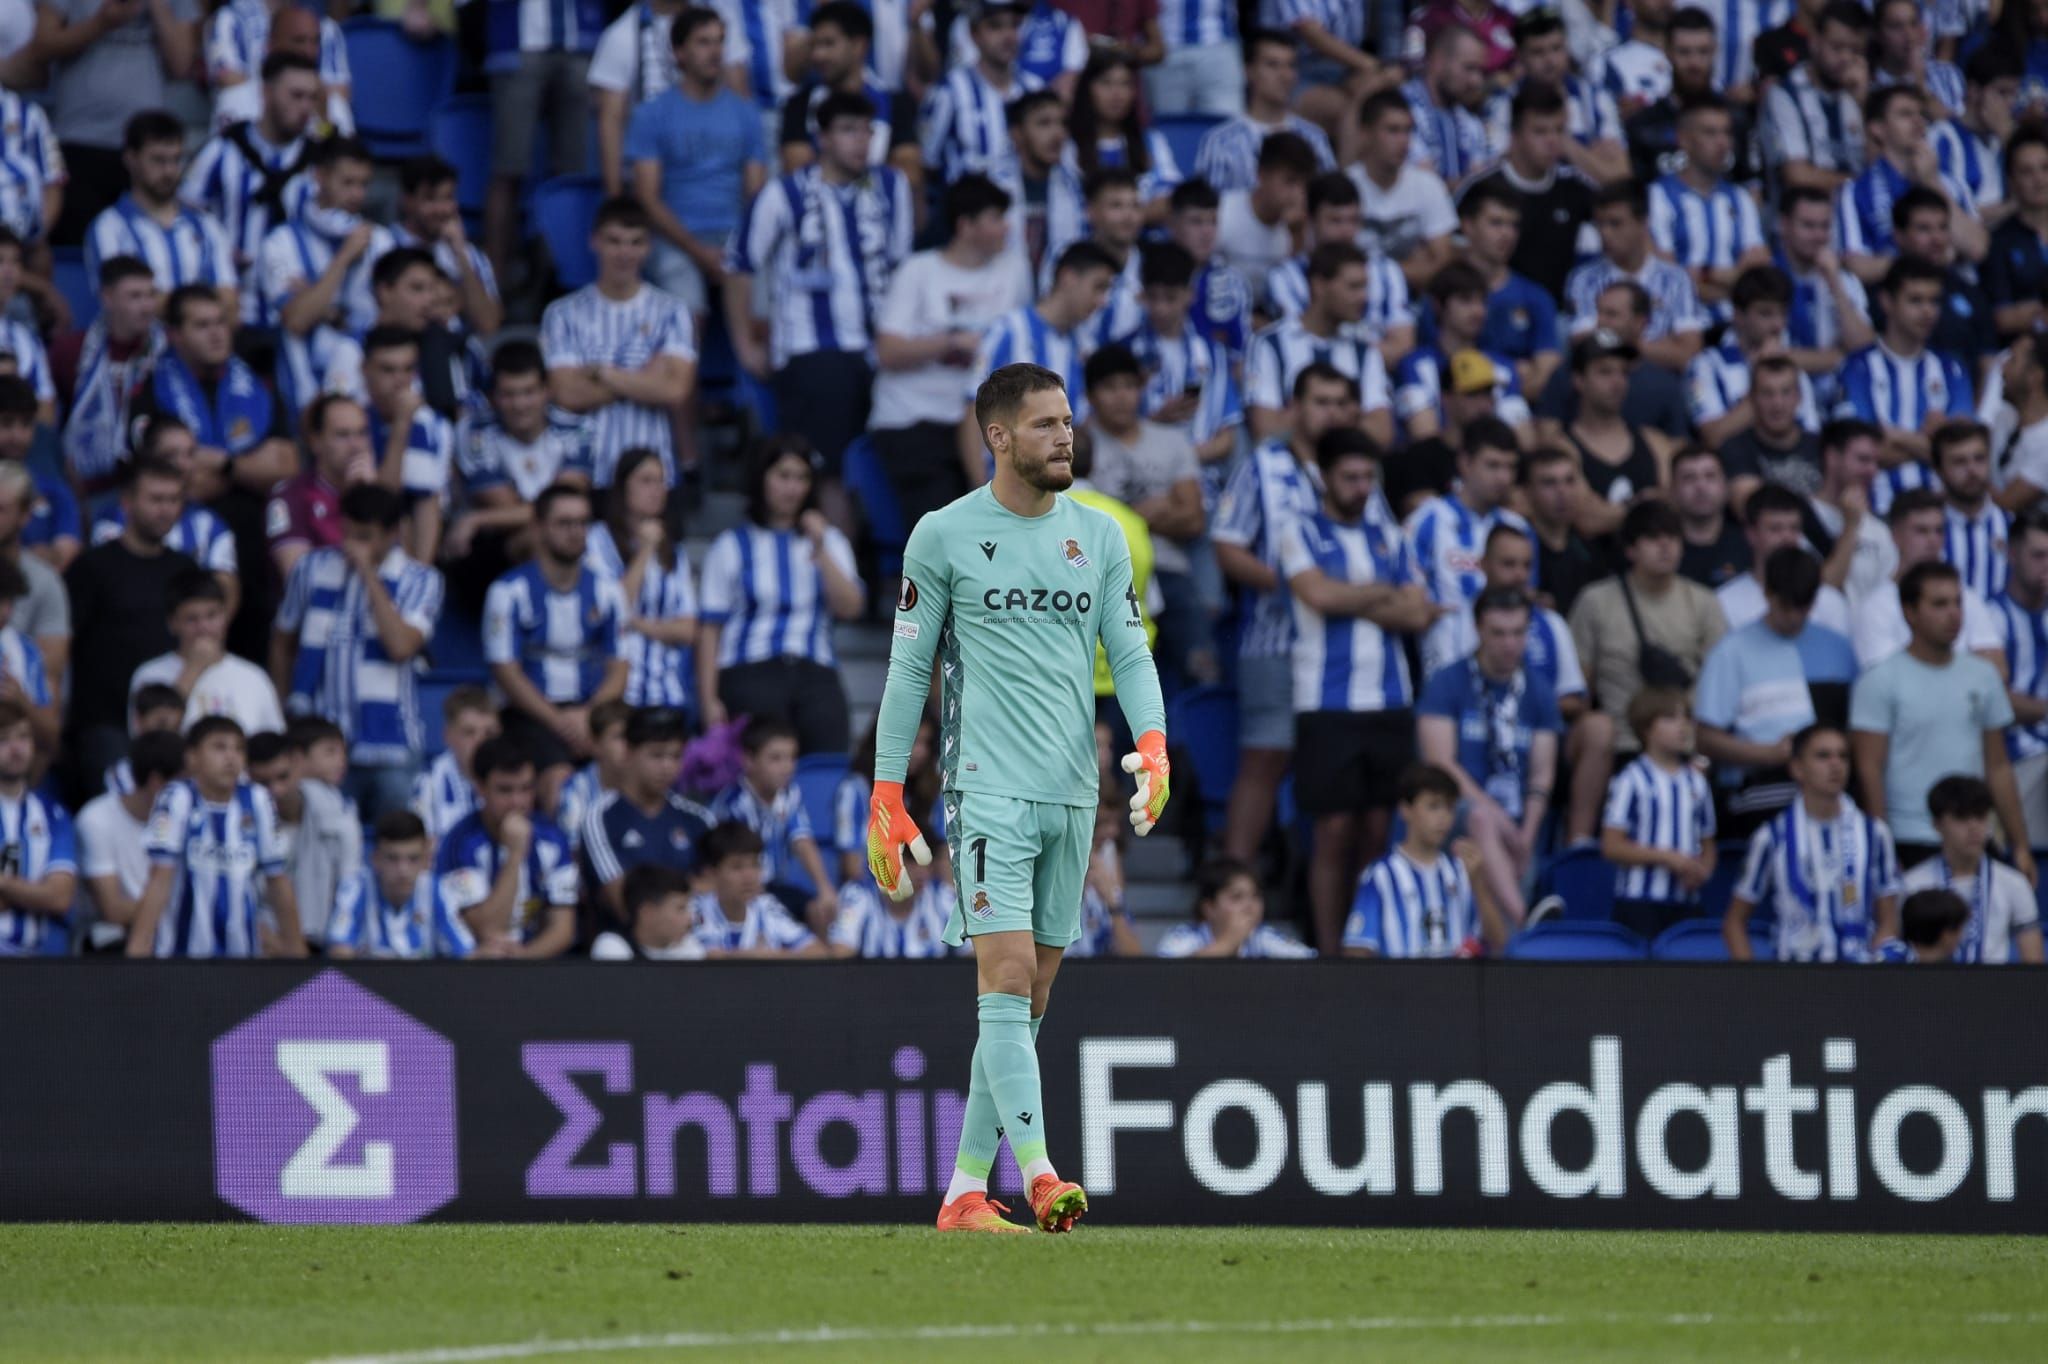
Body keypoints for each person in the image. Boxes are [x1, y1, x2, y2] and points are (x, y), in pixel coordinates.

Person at [868, 361, 1168, 1236]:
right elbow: (908, 670)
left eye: (1067, 421)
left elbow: (1134, 652)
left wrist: (1153, 741)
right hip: (986, 789)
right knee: (1001, 980)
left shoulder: (1101, 535)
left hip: (1073, 794)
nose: (1065, 435)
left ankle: (965, 1190)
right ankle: (1039, 1175)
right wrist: (888, 791)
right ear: (998, 436)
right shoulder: (945, 534)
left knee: (1027, 1001)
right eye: (1044, 424)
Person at [1279, 429, 1438, 952]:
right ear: (1324, 477)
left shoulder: (1391, 536)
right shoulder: (1298, 528)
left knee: (1377, 830)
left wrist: (1356, 598)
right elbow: (1318, 595)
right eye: (1350, 476)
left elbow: (1418, 611)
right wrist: (1382, 593)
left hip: (1391, 703)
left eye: (1368, 476)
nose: (1361, 486)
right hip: (1325, 705)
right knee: (1333, 832)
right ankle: (1330, 951)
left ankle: (1367, 942)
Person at [725, 90, 913, 532]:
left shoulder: (892, 186)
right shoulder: (784, 192)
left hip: (885, 354)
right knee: (826, 474)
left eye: (867, 131)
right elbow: (738, 264)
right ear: (822, 138)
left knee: (894, 465)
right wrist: (743, 342)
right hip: (813, 353)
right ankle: (844, 580)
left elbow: (903, 267)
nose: (860, 141)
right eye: (848, 130)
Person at [1213, 364, 1354, 861]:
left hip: (1343, 646)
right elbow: (1228, 545)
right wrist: (1297, 583)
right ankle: (1233, 881)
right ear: (1294, 408)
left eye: (1341, 402)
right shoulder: (1262, 465)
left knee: (1332, 771)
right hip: (1273, 639)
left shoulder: (1357, 468)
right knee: (1265, 757)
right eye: (1321, 401)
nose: (1331, 412)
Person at [272, 483, 444, 820]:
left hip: (393, 746)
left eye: (365, 536)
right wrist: (282, 709)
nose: (352, 545)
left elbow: (400, 646)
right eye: (348, 533)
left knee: (397, 847)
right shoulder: (310, 569)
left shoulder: (421, 580)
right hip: (321, 741)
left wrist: (367, 574)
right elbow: (282, 641)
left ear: (393, 533)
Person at [869, 175, 1030, 532]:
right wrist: (953, 342)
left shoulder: (1013, 269)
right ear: (965, 225)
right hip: (914, 418)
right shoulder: (919, 271)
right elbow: (887, 351)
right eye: (995, 219)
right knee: (945, 531)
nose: (1006, 228)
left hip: (982, 423)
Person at [1851, 561, 2032, 875]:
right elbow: (1869, 770)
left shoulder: (1983, 676)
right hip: (1908, 840)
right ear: (1910, 612)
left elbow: (1998, 767)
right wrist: (1881, 850)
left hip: (1975, 838)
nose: (1954, 614)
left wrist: (2020, 845)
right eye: (1939, 604)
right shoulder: (1878, 681)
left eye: (1957, 603)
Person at [696, 437, 864, 753]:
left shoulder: (830, 541)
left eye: (801, 478)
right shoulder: (730, 546)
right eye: (783, 476)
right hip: (750, 670)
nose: (793, 488)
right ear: (762, 479)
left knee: (827, 762)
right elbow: (709, 630)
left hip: (814, 671)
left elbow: (851, 607)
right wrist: (708, 700)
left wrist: (820, 548)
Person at [1416, 586, 1560, 924]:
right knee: (1481, 819)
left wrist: (1525, 834)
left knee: (1519, 837)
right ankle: (1525, 920)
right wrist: (1498, 820)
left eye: (1517, 633)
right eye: (1498, 633)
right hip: (1456, 813)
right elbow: (1441, 765)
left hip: (1517, 819)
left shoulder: (1538, 690)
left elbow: (1542, 775)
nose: (1509, 644)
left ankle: (1510, 942)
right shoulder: (1447, 682)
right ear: (1478, 629)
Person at [1695, 544, 1859, 833]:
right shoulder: (1730, 652)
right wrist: (1769, 754)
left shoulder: (1839, 648)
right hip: (1759, 795)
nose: (1795, 617)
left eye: (1804, 606)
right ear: (1767, 593)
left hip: (1831, 797)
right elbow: (1705, 737)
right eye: (1786, 606)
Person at [62, 454, 199, 797]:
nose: (165, 509)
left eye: (173, 500)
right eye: (155, 499)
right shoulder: (92, 567)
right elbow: (64, 644)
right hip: (105, 724)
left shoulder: (185, 570)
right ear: (127, 502)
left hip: (170, 723)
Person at [541, 196, 698, 491]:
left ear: (648, 247)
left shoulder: (672, 312)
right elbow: (566, 393)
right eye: (614, 241)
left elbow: (675, 391)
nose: (625, 253)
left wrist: (602, 373)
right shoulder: (562, 313)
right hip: (581, 474)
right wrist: (645, 380)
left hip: (651, 476)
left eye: (636, 242)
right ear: (594, 242)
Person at [629, 7, 765, 335]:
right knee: (686, 322)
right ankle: (683, 387)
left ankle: (755, 385)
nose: (715, 51)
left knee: (765, 316)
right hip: (675, 239)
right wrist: (700, 252)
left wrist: (739, 251)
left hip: (735, 239)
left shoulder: (746, 113)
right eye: (703, 42)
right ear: (679, 52)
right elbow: (647, 199)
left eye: (720, 41)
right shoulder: (652, 114)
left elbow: (756, 196)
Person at [127, 717, 305, 959]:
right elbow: (160, 879)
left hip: (243, 959)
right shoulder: (176, 797)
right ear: (192, 757)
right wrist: (137, 951)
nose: (231, 758)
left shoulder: (258, 800)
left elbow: (278, 882)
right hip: (180, 959)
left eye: (239, 749)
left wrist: (298, 956)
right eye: (219, 747)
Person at [1723, 722, 1902, 963]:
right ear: (1797, 768)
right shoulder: (1771, 836)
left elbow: (1889, 918)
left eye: (1843, 756)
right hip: (1792, 979)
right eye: (1823, 756)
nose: (1835, 764)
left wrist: (1875, 964)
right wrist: (1755, 984)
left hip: (1859, 978)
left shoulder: (1875, 833)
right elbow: (1735, 922)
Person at [483, 482, 630, 770]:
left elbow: (620, 667)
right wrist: (559, 721)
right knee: (558, 778)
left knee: (627, 762)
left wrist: (588, 715)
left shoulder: (608, 591)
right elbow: (505, 671)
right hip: (529, 716)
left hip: (592, 713)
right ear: (538, 528)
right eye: (564, 523)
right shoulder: (508, 591)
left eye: (582, 523)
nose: (575, 532)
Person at [1568, 499, 1728, 755]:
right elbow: (1580, 683)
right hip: (1619, 742)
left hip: (1685, 742)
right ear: (1630, 550)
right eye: (1652, 537)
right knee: (1596, 729)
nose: (1665, 546)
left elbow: (1721, 681)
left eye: (1672, 537)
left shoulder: (1704, 601)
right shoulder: (1594, 601)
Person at [39, 0, 202, 246]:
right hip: (79, 138)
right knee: (77, 249)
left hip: (147, 147)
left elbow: (181, 63)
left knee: (147, 249)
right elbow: (41, 45)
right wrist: (101, 23)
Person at [448, 341, 593, 601]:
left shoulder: (576, 429)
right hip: (494, 546)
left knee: (573, 534)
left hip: (552, 528)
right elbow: (510, 505)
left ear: (546, 391)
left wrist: (477, 518)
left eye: (529, 392)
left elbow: (567, 503)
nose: (520, 404)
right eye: (509, 394)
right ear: (493, 397)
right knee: (537, 537)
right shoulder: (474, 433)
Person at [185, 51, 321, 319]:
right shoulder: (221, 151)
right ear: (266, 93)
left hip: (298, 313)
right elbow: (184, 218)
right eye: (296, 95)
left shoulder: (322, 161)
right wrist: (217, 255)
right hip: (229, 312)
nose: (306, 107)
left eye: (312, 97)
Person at [479, 0, 598, 287]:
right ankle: (492, 284)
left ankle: (569, 278)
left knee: (574, 176)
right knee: (508, 169)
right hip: (518, 44)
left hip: (578, 40)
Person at [434, 734, 578, 959]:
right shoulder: (459, 844)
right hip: (479, 968)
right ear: (480, 788)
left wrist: (525, 958)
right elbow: (487, 930)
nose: (517, 802)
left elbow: (563, 928)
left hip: (534, 963)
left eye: (525, 789)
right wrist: (515, 855)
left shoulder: (552, 839)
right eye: (505, 790)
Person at [1343, 760, 1506, 958]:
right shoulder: (1381, 875)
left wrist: (1478, 884)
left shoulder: (1462, 871)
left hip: (1456, 988)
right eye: (1433, 806)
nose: (1443, 817)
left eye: (1449, 807)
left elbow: (1499, 942)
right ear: (1406, 809)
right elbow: (1356, 950)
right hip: (1399, 988)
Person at [1406, 421, 1531, 675]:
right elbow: (1408, 599)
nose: (1503, 477)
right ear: (1465, 463)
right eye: (1493, 465)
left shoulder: (1518, 528)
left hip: (1505, 669)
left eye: (1510, 467)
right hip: (1442, 666)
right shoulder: (1427, 520)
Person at [1244, 242, 1393, 445]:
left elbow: (1383, 434)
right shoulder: (1269, 344)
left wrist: (1307, 417)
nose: (1363, 297)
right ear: (1319, 286)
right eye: (1353, 287)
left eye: (1364, 287)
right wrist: (1347, 417)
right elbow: (1265, 431)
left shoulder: (1365, 351)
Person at [1467, 84, 1601, 308]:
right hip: (1493, 309)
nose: (1552, 141)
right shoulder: (1482, 187)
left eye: (1559, 130)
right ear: (1515, 135)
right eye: (1540, 131)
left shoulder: (1575, 186)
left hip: (1560, 313)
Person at [586, 446, 697, 712]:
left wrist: (639, 624)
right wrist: (645, 550)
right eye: (646, 481)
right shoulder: (595, 540)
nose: (657, 489)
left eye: (661, 481)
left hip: (667, 690)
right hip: (617, 692)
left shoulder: (674, 552)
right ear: (623, 487)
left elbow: (690, 630)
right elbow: (606, 612)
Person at [1601, 686, 1717, 939]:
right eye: (1670, 718)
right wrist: (1667, 858)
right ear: (1646, 729)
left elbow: (1708, 842)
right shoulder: (1630, 780)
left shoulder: (1697, 782)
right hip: (1639, 903)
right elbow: (1611, 846)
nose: (1683, 726)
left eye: (1686, 717)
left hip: (1687, 902)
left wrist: (1702, 871)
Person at [582, 706, 712, 929]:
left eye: (675, 756)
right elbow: (626, 906)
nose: (667, 766)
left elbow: (721, 892)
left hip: (697, 943)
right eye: (656, 755)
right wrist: (692, 886)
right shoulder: (601, 817)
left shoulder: (698, 817)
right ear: (628, 752)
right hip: (626, 952)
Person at [1838, 86, 1986, 282]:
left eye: (1922, 114)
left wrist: (1932, 182)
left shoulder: (1951, 183)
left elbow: (1977, 247)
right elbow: (1857, 266)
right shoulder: (1855, 191)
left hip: (1953, 294)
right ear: (1878, 128)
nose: (1918, 121)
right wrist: (1923, 260)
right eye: (1905, 114)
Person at [1896, 774, 2044, 965]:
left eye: (1980, 816)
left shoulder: (2014, 883)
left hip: (1994, 991)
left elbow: (2033, 963)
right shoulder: (1912, 885)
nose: (1974, 827)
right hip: (1931, 988)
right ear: (1937, 824)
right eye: (1962, 817)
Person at [1851, 489, 2004, 672]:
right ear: (1895, 535)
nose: (1933, 540)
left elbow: (1997, 669)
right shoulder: (1876, 607)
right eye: (1921, 531)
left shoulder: (1965, 596)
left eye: (1939, 531)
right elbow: (1886, 680)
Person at [1647, 94, 1772, 316]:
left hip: (1735, 326)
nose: (1723, 142)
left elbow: (1759, 274)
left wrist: (1704, 273)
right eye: (1710, 133)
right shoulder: (1658, 196)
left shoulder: (1741, 199)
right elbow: (1667, 277)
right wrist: (1733, 281)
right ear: (1683, 140)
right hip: (1678, 323)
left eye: (1726, 132)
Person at [1561, 185, 1705, 370]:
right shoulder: (1582, 279)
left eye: (1615, 223)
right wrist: (1661, 344)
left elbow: (1689, 354)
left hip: (1663, 381)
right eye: (1600, 224)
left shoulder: (1676, 279)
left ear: (1643, 224)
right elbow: (1586, 345)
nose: (1605, 233)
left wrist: (1625, 342)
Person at [778, 2, 922, 186]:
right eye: (814, 45)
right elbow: (798, 174)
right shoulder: (798, 105)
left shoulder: (896, 104)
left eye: (828, 44)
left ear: (859, 46)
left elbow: (909, 176)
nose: (818, 55)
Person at [711, 716, 835, 926]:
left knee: (821, 911)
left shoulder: (790, 794)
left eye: (791, 758)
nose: (787, 767)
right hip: (743, 893)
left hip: (776, 887)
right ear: (748, 760)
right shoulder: (733, 804)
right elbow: (732, 862)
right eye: (776, 758)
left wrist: (825, 888)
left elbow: (803, 842)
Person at [1484, 10, 1628, 190]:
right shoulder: (1503, 105)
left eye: (1556, 48)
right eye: (1538, 52)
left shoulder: (1596, 98)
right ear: (1520, 57)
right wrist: (1589, 155)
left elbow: (1621, 176)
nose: (1550, 60)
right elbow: (1498, 170)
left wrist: (1568, 147)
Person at [244, 726, 359, 950]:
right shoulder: (238, 823)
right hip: (265, 953)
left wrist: (338, 945)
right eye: (262, 783)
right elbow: (242, 909)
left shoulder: (338, 812)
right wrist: (294, 956)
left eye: (282, 777)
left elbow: (350, 887)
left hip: (327, 947)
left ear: (297, 762)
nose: (275, 790)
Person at [129, 569, 281, 738]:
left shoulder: (254, 677)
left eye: (212, 616)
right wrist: (193, 669)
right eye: (192, 619)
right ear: (172, 623)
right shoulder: (149, 675)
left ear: (225, 616)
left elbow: (272, 747)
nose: (204, 628)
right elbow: (148, 743)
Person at [1557, 330, 1680, 538]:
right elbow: (1587, 518)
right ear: (1578, 380)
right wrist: (1648, 507)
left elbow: (1679, 503)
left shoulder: (1654, 441)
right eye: (1605, 372)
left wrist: (1615, 512)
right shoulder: (1562, 447)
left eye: (1623, 372)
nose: (1617, 382)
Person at [59, 254, 165, 496]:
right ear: (107, 297)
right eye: (135, 296)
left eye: (151, 295)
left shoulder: (169, 352)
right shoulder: (71, 352)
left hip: (154, 482)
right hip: (88, 485)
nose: (147, 306)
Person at [1689, 267, 1820, 451]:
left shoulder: (1791, 369)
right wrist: (1762, 377)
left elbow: (1809, 433)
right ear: (1738, 316)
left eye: (1782, 314)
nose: (1778, 325)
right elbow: (1713, 437)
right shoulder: (1703, 366)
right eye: (1765, 314)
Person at [1191, 29, 1336, 193]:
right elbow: (1208, 209)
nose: (1285, 75)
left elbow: (1328, 201)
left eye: (1291, 65)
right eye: (1272, 65)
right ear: (1248, 71)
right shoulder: (1219, 142)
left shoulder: (1315, 139)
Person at [76, 729, 181, 953]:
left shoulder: (188, 818)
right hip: (114, 940)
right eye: (183, 784)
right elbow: (113, 909)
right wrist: (185, 913)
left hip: (172, 936)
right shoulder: (96, 819)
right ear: (156, 783)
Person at [920, 0, 1046, 186]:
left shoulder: (1035, 89)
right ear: (974, 34)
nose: (1008, 36)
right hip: (967, 208)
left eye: (1015, 25)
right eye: (995, 27)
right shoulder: (950, 91)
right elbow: (927, 161)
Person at [357, 326, 453, 562]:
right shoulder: (352, 421)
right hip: (360, 537)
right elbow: (381, 504)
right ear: (365, 370)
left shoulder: (433, 425)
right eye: (388, 370)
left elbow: (427, 503)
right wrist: (402, 425)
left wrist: (420, 576)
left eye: (408, 369)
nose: (400, 381)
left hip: (418, 545)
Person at [327, 810, 474, 960]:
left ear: (425, 859)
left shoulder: (437, 891)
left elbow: (466, 955)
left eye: (413, 859)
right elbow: (338, 953)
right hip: (365, 983)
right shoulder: (356, 888)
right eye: (393, 858)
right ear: (375, 859)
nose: (403, 871)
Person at [1758, 0, 1869, 199]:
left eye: (1855, 50)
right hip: (1801, 221)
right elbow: (1797, 176)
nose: (1846, 58)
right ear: (1814, 42)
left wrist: (1864, 106)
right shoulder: (1785, 94)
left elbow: (1882, 169)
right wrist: (1861, 185)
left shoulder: (1862, 94)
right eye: (1837, 47)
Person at [1771, 186, 1874, 391]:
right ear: (1784, 225)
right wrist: (1838, 356)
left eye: (1825, 226)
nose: (1818, 235)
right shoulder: (1764, 276)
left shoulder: (1843, 279)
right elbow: (1770, 357)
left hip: (1837, 395)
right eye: (1808, 226)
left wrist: (1834, 283)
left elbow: (1864, 348)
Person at [1716, 484, 1853, 634]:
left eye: (1794, 528)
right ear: (1751, 533)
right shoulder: (1724, 603)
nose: (1787, 538)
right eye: (1776, 529)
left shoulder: (1829, 601)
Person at [389, 155, 500, 339]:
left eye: (448, 198)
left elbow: (489, 324)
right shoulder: (384, 245)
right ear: (407, 201)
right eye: (431, 199)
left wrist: (460, 253)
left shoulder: (471, 255)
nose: (442, 209)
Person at [1992, 512, 2048, 859]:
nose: (2047, 565)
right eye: (2038, 555)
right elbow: (1994, 701)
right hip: (2017, 759)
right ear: (2011, 554)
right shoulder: (1989, 617)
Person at [0, 698, 75, 956]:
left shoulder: (52, 814)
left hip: (38, 967)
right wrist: (32, 892)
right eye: (4, 740)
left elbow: (60, 897)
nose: (16, 749)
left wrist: (5, 886)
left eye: (23, 737)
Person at [688, 820, 826, 959]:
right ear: (712, 874)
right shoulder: (697, 909)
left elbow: (817, 952)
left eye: (755, 865)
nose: (749, 877)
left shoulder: (767, 905)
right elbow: (712, 959)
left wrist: (767, 956)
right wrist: (765, 957)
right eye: (737, 867)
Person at [265, 393, 366, 581]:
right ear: (315, 442)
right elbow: (298, 578)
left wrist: (367, 499)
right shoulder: (288, 497)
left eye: (361, 433)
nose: (356, 446)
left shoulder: (376, 492)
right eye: (342, 435)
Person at [1215, 132, 1314, 312]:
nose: (1297, 194)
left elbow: (1295, 294)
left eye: (1304, 184)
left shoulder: (1301, 225)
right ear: (1262, 175)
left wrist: (1296, 234)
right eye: (1290, 181)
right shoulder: (1224, 213)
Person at [1156, 855, 1313, 958]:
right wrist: (1228, 943)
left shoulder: (1262, 937)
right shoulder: (1184, 936)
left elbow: (1314, 963)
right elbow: (1164, 975)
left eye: (1256, 896)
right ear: (1209, 908)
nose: (1250, 906)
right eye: (1236, 897)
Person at [1719, 356, 1826, 501]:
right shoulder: (1735, 449)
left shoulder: (1822, 447)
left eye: (1786, 392)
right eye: (1767, 393)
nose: (1777, 404)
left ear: (1799, 397)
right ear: (1752, 398)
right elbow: (1749, 510)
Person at [411, 685, 497, 844]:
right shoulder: (429, 783)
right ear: (448, 735)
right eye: (469, 732)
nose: (480, 741)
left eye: (489, 733)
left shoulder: (513, 782)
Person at [829, 854, 959, 959]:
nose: (921, 872)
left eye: (925, 863)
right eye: (910, 861)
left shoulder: (943, 898)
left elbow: (972, 954)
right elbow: (840, 955)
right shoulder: (858, 895)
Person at [1671, 447, 1751, 590]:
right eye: (1689, 478)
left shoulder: (1750, 542)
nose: (1700, 486)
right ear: (1673, 490)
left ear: (1726, 486)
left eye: (1710, 476)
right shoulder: (1662, 547)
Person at [589, 864, 707, 961]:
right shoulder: (612, 946)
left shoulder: (689, 947)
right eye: (680, 908)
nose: (690, 918)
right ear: (647, 912)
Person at [1875, 888, 1973, 963]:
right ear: (1946, 935)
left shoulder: (1955, 966)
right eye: (1960, 929)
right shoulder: (1889, 958)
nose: (1961, 936)